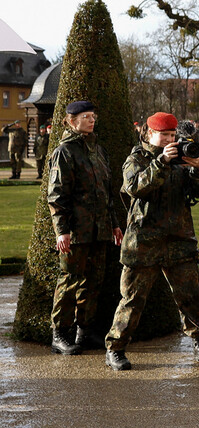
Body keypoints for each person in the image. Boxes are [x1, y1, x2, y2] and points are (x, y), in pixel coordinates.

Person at [103, 112, 199, 371]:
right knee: (132, 299)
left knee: (190, 297)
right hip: (144, 241)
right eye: (164, 134)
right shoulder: (136, 158)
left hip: (178, 239)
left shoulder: (182, 157)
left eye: (172, 134)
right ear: (149, 133)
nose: (169, 139)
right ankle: (115, 348)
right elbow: (135, 187)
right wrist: (162, 161)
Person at [46, 101, 124, 355]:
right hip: (76, 231)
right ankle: (60, 334)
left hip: (99, 230)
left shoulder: (98, 151)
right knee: (69, 282)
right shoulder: (64, 152)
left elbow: (106, 193)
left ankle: (85, 333)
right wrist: (62, 231)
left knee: (93, 281)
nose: (92, 120)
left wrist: (114, 225)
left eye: (93, 116)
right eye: (85, 116)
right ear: (71, 121)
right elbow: (57, 196)